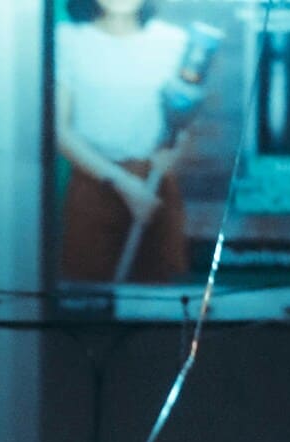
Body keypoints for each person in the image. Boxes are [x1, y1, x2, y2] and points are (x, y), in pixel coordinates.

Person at [56, 0, 191, 284]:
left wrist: (174, 153)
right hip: (95, 185)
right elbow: (60, 130)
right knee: (91, 297)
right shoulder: (69, 40)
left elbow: (183, 120)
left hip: (154, 185)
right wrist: (122, 184)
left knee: (155, 297)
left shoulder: (172, 41)